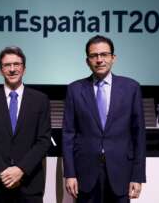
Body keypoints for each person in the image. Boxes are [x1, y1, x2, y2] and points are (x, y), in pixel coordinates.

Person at [62, 35, 146, 203]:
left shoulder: (131, 88)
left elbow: (139, 135)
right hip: (85, 173)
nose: (99, 60)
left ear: (113, 58)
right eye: (94, 56)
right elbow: (68, 135)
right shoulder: (75, 89)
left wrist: (137, 175)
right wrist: (69, 173)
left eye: (104, 54)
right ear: (87, 61)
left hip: (121, 172)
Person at [0, 46, 51, 203]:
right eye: (7, 65)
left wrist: (21, 170)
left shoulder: (40, 100)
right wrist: (3, 171)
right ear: (0, 70)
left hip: (30, 183)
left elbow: (43, 140)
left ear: (24, 68)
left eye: (16, 64)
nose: (12, 69)